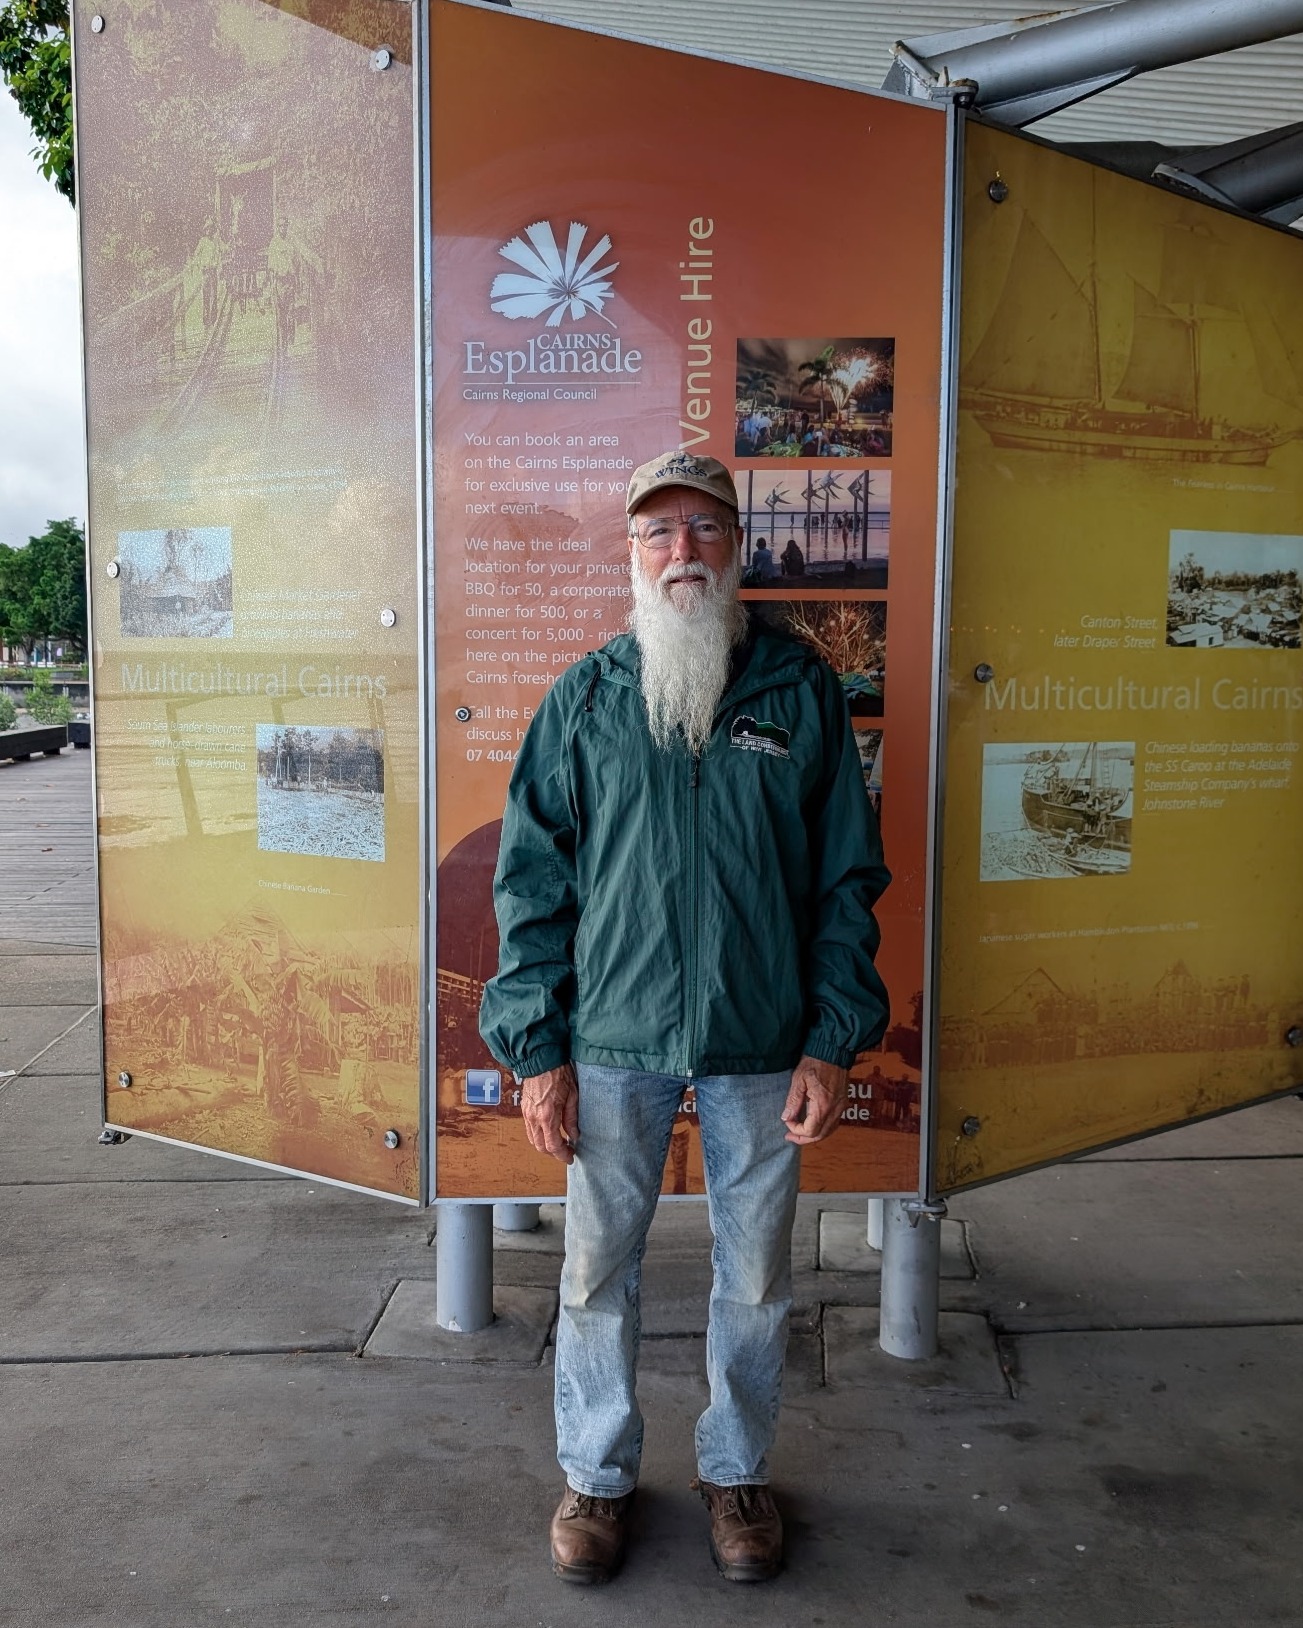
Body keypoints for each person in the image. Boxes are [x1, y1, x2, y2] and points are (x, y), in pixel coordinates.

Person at [479, 450, 890, 1587]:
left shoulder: (799, 693)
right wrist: (539, 1048)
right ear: (630, 553)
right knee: (596, 1268)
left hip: (764, 1039)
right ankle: (597, 1473)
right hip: (610, 1037)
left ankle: (735, 1466)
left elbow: (844, 878)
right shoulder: (588, 697)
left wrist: (829, 1035)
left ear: (737, 549)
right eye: (656, 534)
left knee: (755, 1272)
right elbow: (531, 886)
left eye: (703, 531)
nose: (681, 554)